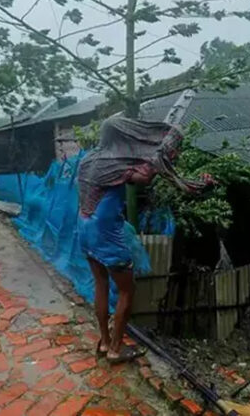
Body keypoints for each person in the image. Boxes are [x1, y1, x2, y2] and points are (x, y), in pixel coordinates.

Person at [77, 116, 212, 364]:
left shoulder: (88, 159)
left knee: (101, 284)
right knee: (128, 290)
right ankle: (116, 349)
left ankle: (105, 342)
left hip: (83, 227)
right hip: (105, 231)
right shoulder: (116, 165)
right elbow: (145, 178)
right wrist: (162, 159)